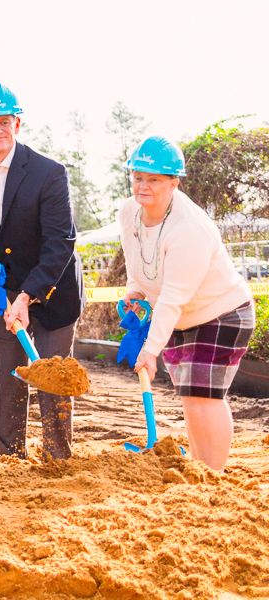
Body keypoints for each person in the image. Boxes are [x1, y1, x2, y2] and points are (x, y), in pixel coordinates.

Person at [0, 80, 83, 460]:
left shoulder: (48, 172)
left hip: (51, 292)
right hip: (1, 290)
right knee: (11, 380)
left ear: (18, 124)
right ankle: (9, 460)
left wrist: (27, 296)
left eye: (4, 121)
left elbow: (61, 241)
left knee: (52, 380)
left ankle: (58, 460)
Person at [119, 136, 254, 472]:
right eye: (138, 177)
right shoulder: (129, 212)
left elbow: (172, 298)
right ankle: (200, 467)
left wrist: (150, 352)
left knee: (204, 397)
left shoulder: (189, 228)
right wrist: (134, 292)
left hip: (221, 313)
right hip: (181, 317)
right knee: (190, 398)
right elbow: (136, 263)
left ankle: (213, 475)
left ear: (173, 183)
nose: (143, 186)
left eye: (154, 179)